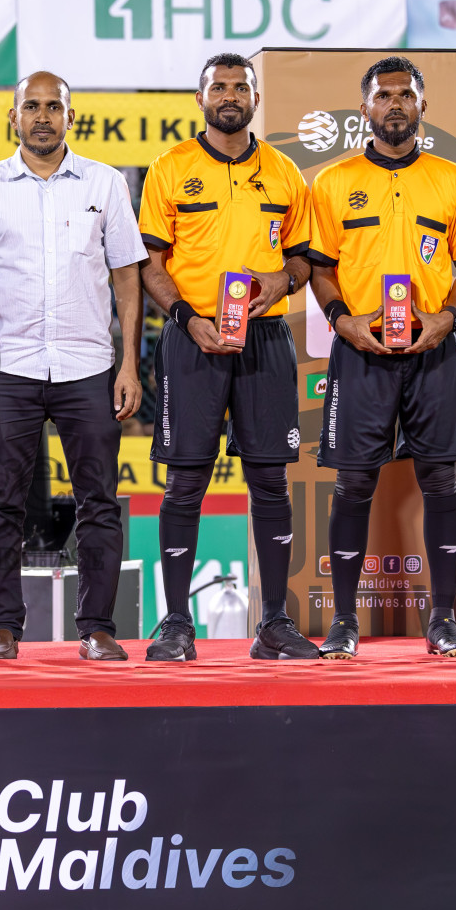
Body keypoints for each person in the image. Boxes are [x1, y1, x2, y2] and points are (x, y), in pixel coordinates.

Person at [0, 71, 146, 661]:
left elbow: (128, 279)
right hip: (9, 366)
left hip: (88, 366)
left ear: (70, 117)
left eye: (52, 106)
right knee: (2, 500)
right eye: (30, 106)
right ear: (13, 117)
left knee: (99, 500)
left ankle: (98, 626)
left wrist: (129, 365)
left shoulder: (105, 184)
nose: (41, 116)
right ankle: (3, 625)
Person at [307, 56, 456, 661]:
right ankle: (342, 621)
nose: (394, 104)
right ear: (365, 107)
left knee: (442, 481)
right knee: (354, 482)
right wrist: (342, 320)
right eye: (383, 95)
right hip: (362, 352)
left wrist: (449, 318)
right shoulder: (332, 183)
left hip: (431, 351)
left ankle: (442, 620)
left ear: (422, 107)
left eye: (405, 95)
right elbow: (321, 268)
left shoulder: (454, 181)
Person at [137, 52, 318, 662]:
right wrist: (188, 319)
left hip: (265, 339)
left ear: (256, 98)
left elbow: (301, 261)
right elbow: (152, 266)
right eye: (220, 86)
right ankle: (176, 624)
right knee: (185, 482)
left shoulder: (285, 172)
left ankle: (273, 624)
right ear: (201, 98)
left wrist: (281, 284)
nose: (231, 95)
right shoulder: (170, 168)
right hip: (192, 340)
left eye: (242, 86)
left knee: (270, 481)